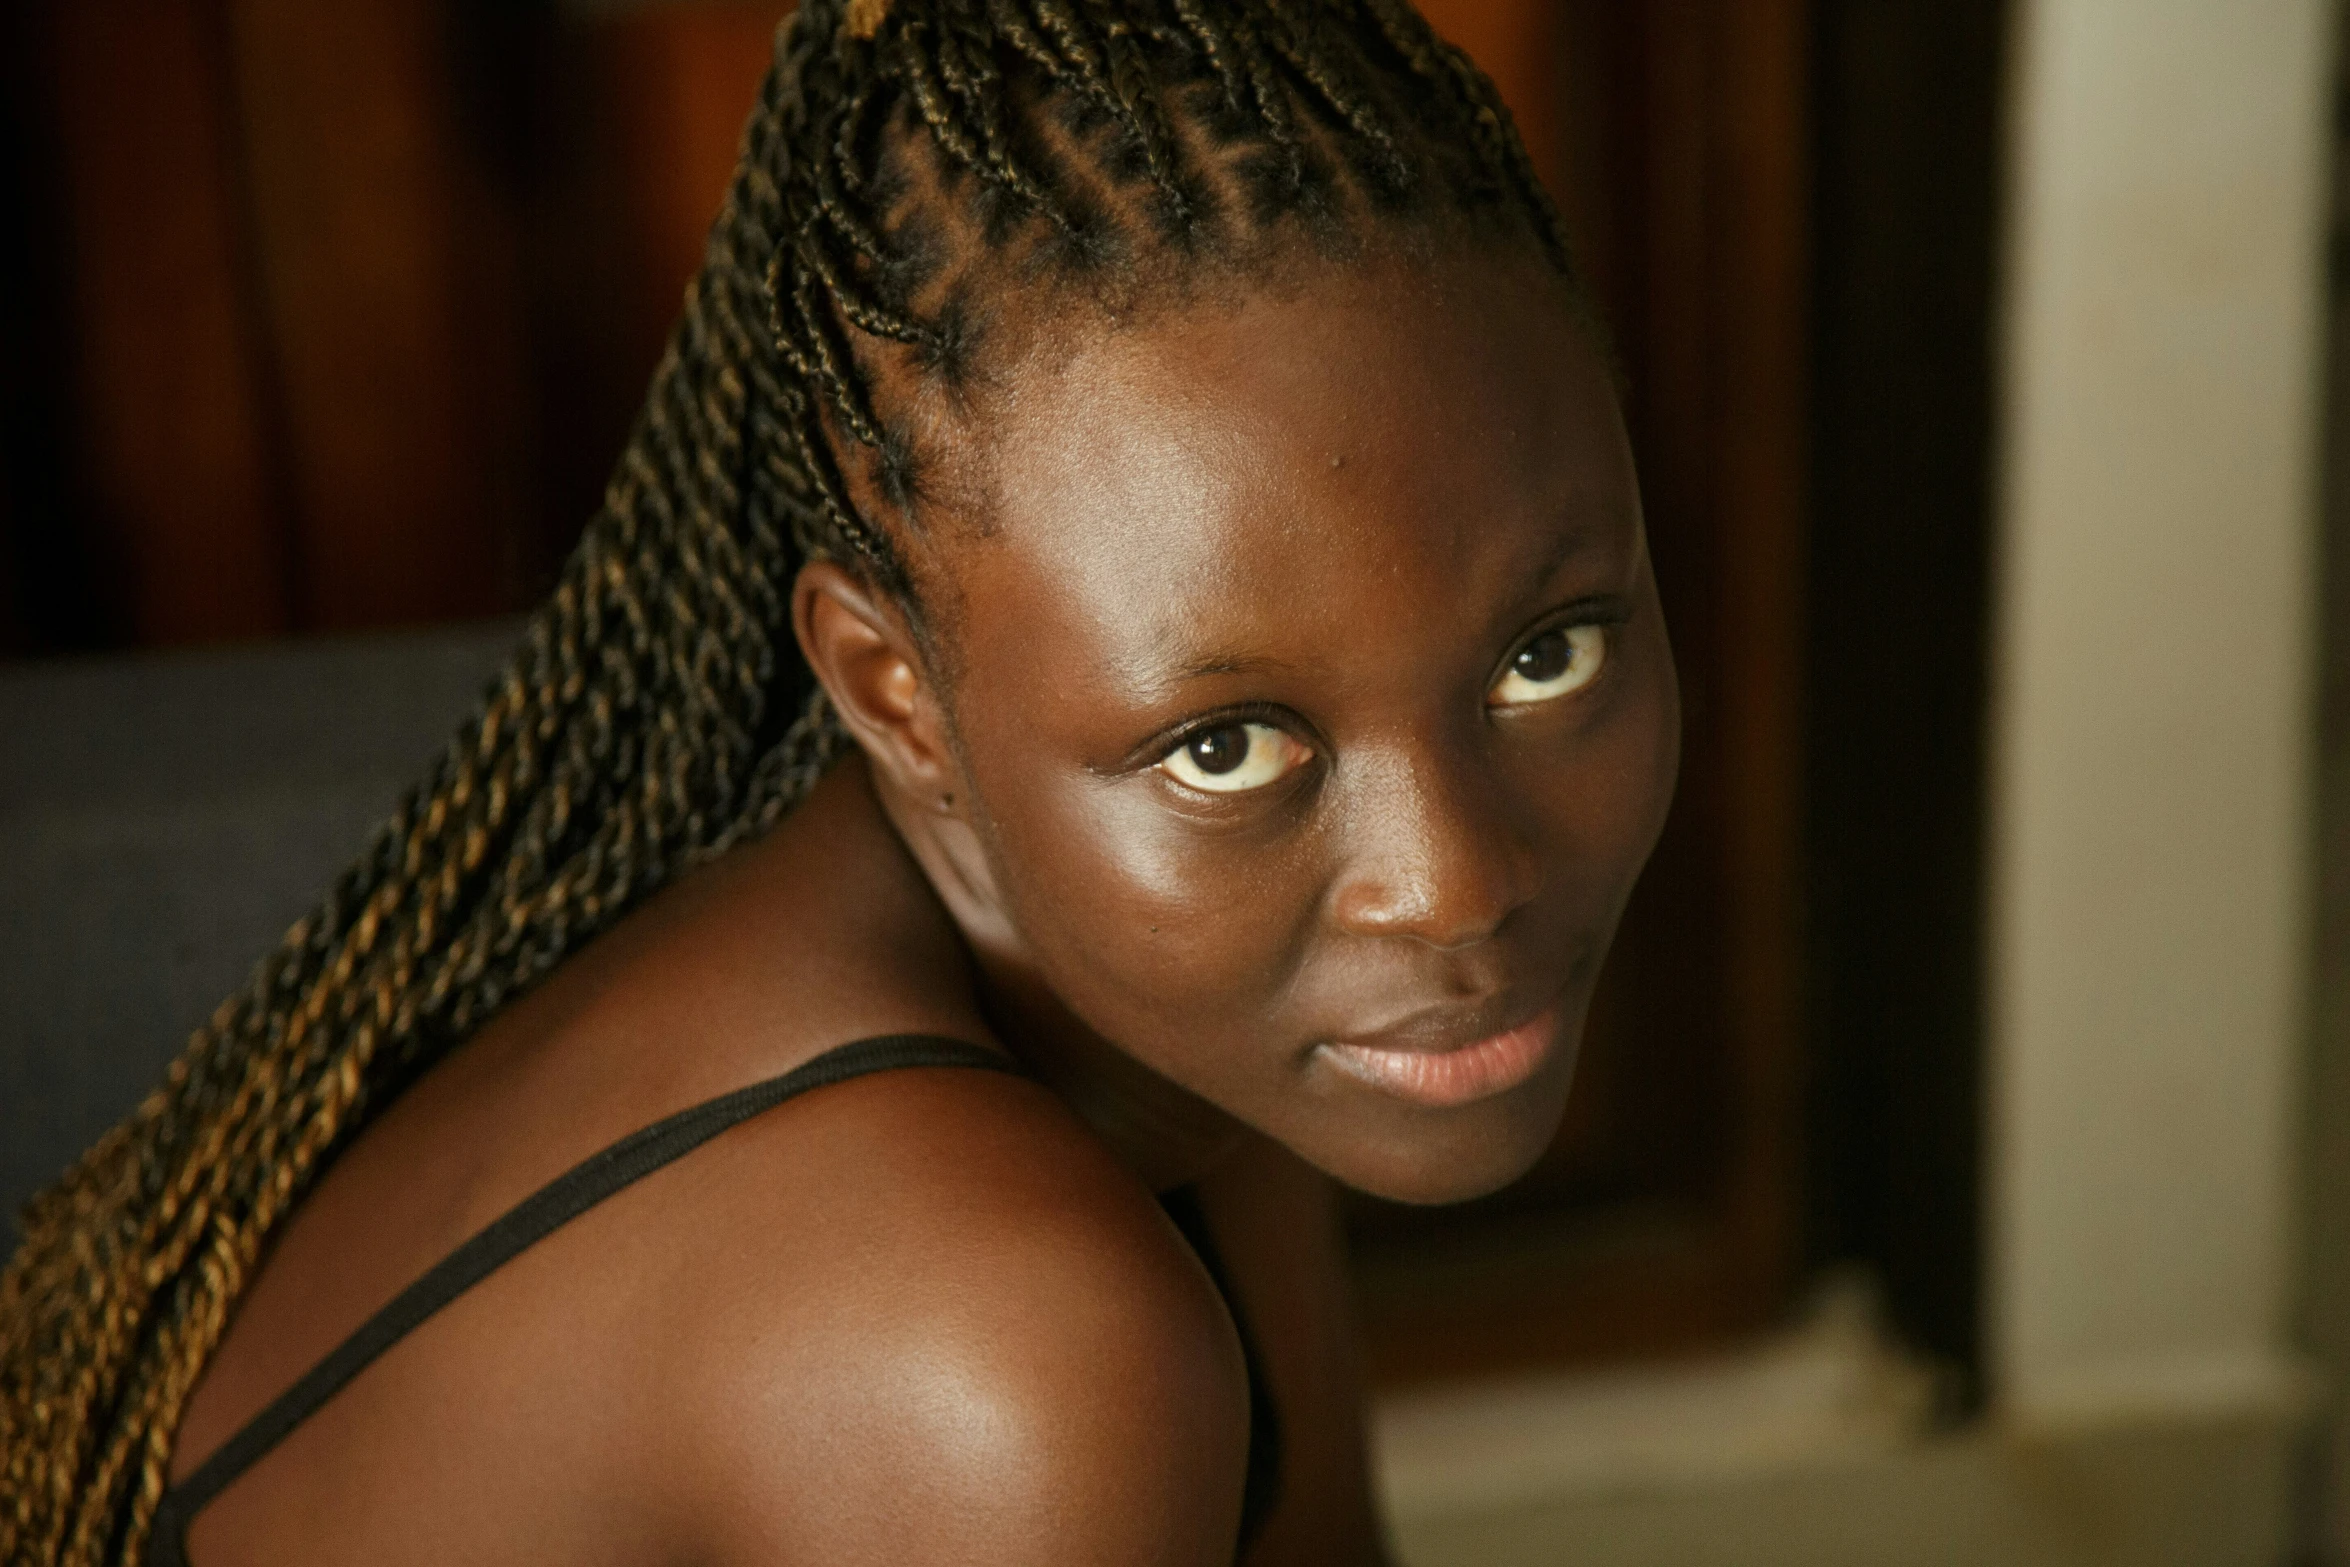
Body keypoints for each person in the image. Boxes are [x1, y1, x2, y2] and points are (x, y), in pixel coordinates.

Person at [0, 0, 1679, 1559]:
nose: (1452, 880)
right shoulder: (1002, 1347)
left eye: (1551, 654)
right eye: (1226, 745)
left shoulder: (1186, 994)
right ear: (893, 692)